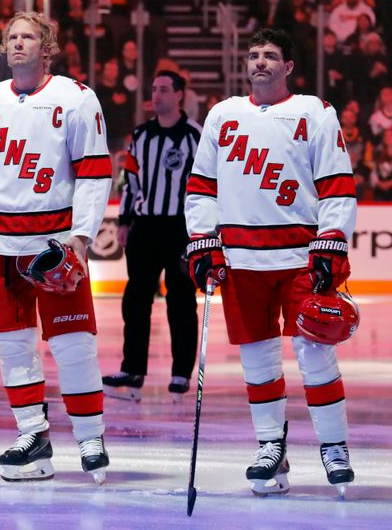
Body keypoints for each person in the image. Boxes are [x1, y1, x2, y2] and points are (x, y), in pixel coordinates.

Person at [0, 12, 113, 484]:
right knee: (13, 349)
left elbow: (95, 173)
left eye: (28, 36)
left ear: (46, 46)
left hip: (52, 245)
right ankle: (32, 434)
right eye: (11, 37)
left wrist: (81, 238)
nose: (18, 44)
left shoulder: (75, 98)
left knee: (74, 347)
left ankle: (90, 438)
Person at [185, 29, 357, 497]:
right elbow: (202, 186)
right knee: (257, 361)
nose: (260, 62)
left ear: (288, 67)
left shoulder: (315, 113)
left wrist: (332, 240)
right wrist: (202, 241)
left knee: (316, 353)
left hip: (301, 257)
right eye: (254, 55)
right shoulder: (223, 115)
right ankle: (270, 449)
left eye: (270, 56)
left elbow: (338, 184)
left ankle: (334, 446)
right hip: (242, 260)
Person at [102, 70, 201, 403]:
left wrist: (204, 231)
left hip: (181, 229)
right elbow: (130, 182)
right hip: (145, 227)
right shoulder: (141, 135)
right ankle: (132, 368)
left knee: (181, 301)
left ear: (179, 96)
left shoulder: (194, 136)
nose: (156, 95)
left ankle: (180, 372)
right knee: (136, 300)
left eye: (163, 90)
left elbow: (205, 187)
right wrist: (125, 221)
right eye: (153, 89)